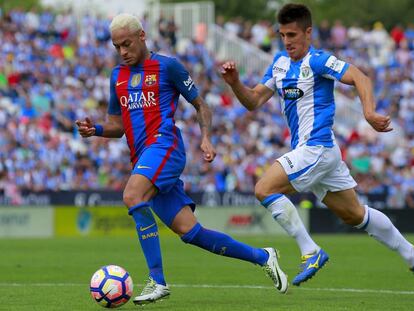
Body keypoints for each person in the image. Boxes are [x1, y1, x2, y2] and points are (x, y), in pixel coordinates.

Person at [76, 13, 288, 305]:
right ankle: (263, 256)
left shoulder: (168, 67)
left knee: (133, 194)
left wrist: (206, 137)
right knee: (190, 231)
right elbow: (119, 125)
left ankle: (157, 280)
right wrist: (96, 129)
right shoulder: (117, 77)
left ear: (142, 37)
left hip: (165, 146)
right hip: (143, 156)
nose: (123, 51)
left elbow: (201, 105)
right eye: (117, 47)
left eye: (126, 44)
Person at [221, 3, 414, 286]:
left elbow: (360, 77)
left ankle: (310, 250)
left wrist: (369, 112)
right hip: (320, 153)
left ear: (308, 33)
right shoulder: (279, 63)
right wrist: (235, 83)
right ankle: (411, 255)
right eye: (283, 35)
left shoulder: (319, 61)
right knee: (355, 215)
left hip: (317, 147)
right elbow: (253, 101)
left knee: (263, 188)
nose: (287, 42)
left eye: (293, 35)